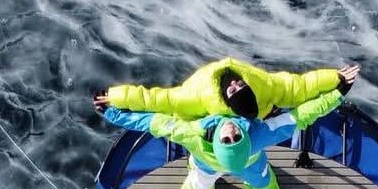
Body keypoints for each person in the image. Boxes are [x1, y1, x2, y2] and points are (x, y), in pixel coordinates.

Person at [97, 87, 346, 189]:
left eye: (227, 139)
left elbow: (151, 122)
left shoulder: (190, 134)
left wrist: (111, 113)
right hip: (251, 165)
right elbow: (301, 116)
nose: (231, 131)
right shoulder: (259, 135)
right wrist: (337, 94)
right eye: (236, 138)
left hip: (207, 166)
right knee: (265, 187)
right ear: (245, 141)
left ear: (217, 143)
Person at [94, 57, 359, 122]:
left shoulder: (263, 85)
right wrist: (115, 97)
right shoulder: (192, 97)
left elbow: (299, 86)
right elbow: (154, 99)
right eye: (235, 87)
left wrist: (334, 78)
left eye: (238, 85)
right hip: (208, 120)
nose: (234, 83)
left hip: (256, 114)